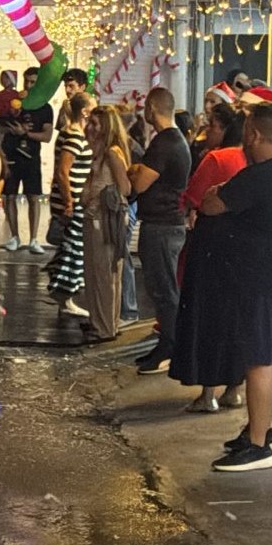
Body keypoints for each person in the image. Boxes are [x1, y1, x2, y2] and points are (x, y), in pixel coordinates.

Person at [199, 103, 272, 472]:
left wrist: (219, 190)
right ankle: (262, 430)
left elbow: (211, 204)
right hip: (271, 274)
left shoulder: (260, 175)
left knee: (259, 358)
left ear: (254, 134)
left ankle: (258, 447)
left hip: (258, 278)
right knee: (263, 355)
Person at [170, 103, 248, 412]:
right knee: (236, 318)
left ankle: (207, 393)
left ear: (224, 129)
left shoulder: (217, 158)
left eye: (212, 126)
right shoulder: (251, 160)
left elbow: (192, 198)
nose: (207, 132)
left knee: (208, 317)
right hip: (242, 247)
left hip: (211, 243)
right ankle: (234, 388)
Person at [128, 88, 191, 375]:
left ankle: (170, 347)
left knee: (164, 290)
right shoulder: (174, 141)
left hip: (162, 226)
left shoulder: (165, 143)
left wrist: (134, 170)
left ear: (152, 108)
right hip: (165, 224)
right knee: (161, 289)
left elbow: (139, 183)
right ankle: (166, 343)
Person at [80, 105, 132, 342]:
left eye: (95, 123)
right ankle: (104, 321)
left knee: (103, 273)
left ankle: (104, 326)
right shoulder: (102, 152)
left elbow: (125, 188)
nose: (89, 127)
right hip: (97, 217)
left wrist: (101, 195)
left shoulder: (111, 153)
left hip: (103, 219)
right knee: (101, 272)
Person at [47, 93, 94, 316]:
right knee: (73, 250)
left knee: (70, 249)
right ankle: (65, 296)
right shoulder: (74, 136)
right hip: (72, 202)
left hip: (70, 201)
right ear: (85, 111)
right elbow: (63, 171)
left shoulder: (70, 133)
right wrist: (69, 202)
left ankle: (65, 295)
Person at [0, 67, 54, 253]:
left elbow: (47, 136)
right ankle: (14, 236)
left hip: (31, 157)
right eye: (26, 81)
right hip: (11, 156)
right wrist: (10, 128)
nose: (29, 86)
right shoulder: (14, 103)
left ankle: (33, 239)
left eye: (33, 82)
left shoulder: (45, 107)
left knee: (33, 196)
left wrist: (25, 133)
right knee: (10, 196)